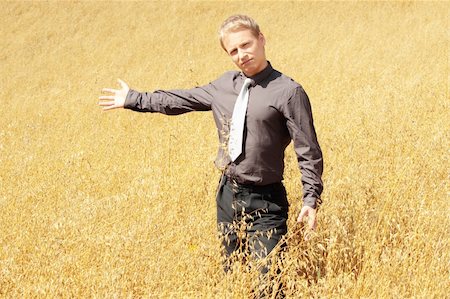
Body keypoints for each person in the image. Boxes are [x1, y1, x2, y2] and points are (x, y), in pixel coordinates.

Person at [98, 13, 323, 287]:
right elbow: (180, 100)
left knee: (269, 285)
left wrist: (311, 199)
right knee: (235, 279)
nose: (242, 55)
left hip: (266, 202)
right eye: (234, 51)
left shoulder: (288, 91)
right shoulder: (224, 86)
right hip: (227, 195)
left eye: (246, 45)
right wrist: (134, 99)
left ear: (261, 40)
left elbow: (308, 150)